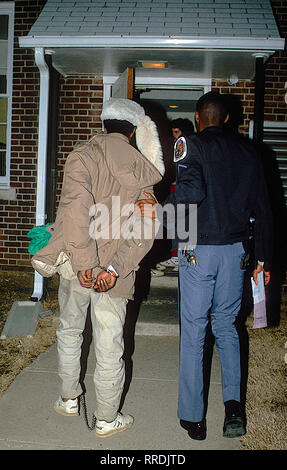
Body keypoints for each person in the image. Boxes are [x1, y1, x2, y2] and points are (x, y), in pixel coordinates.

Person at [137, 91, 272, 440]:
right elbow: (265, 209)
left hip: (200, 250)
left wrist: (160, 207)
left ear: (199, 117)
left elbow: (192, 191)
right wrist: (263, 257)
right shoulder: (250, 151)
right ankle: (233, 410)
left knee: (195, 331)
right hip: (236, 253)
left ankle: (193, 418)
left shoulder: (190, 146)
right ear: (226, 118)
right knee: (227, 327)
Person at [31, 98, 164, 438]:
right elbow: (146, 226)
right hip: (114, 274)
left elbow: (75, 212)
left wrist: (87, 264)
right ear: (133, 131)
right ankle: (106, 418)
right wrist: (114, 269)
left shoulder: (83, 156)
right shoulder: (141, 167)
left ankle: (69, 399)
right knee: (110, 342)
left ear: (103, 123)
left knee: (71, 330)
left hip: (79, 265)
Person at [156, 118, 194, 274]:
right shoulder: (173, 148)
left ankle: (178, 255)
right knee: (170, 222)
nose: (174, 136)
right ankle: (173, 254)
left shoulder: (191, 148)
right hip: (173, 190)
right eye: (172, 133)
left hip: (184, 192)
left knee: (183, 223)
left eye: (176, 132)